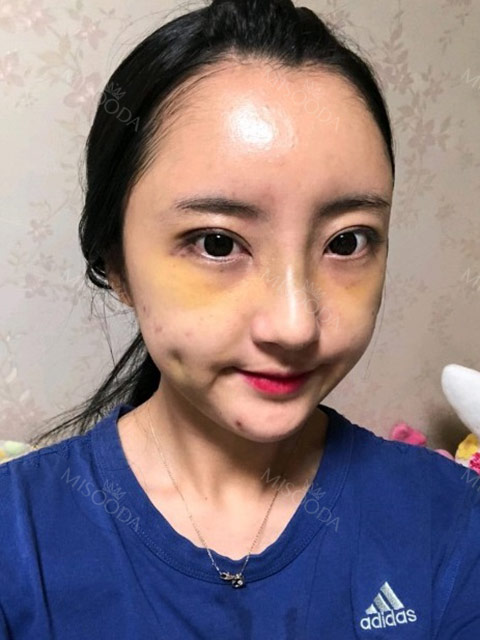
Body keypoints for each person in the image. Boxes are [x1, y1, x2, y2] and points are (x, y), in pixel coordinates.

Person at [1, 0, 479, 637]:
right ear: (116, 263)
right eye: (218, 243)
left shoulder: (451, 522)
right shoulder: (18, 541)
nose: (295, 326)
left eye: (346, 242)